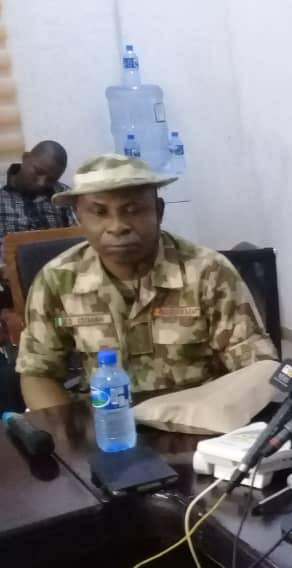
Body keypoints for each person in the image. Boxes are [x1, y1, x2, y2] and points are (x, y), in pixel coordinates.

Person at [16, 154, 277, 409]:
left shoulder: (208, 272)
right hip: (104, 422)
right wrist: (67, 431)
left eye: (133, 210)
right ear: (79, 217)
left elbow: (255, 368)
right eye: (99, 212)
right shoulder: (57, 279)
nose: (117, 226)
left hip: (200, 420)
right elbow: (38, 372)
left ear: (158, 211)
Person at [0, 140, 77, 255]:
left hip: (59, 263)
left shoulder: (63, 195)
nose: (42, 183)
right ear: (25, 158)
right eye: (38, 172)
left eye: (51, 179)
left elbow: (78, 237)